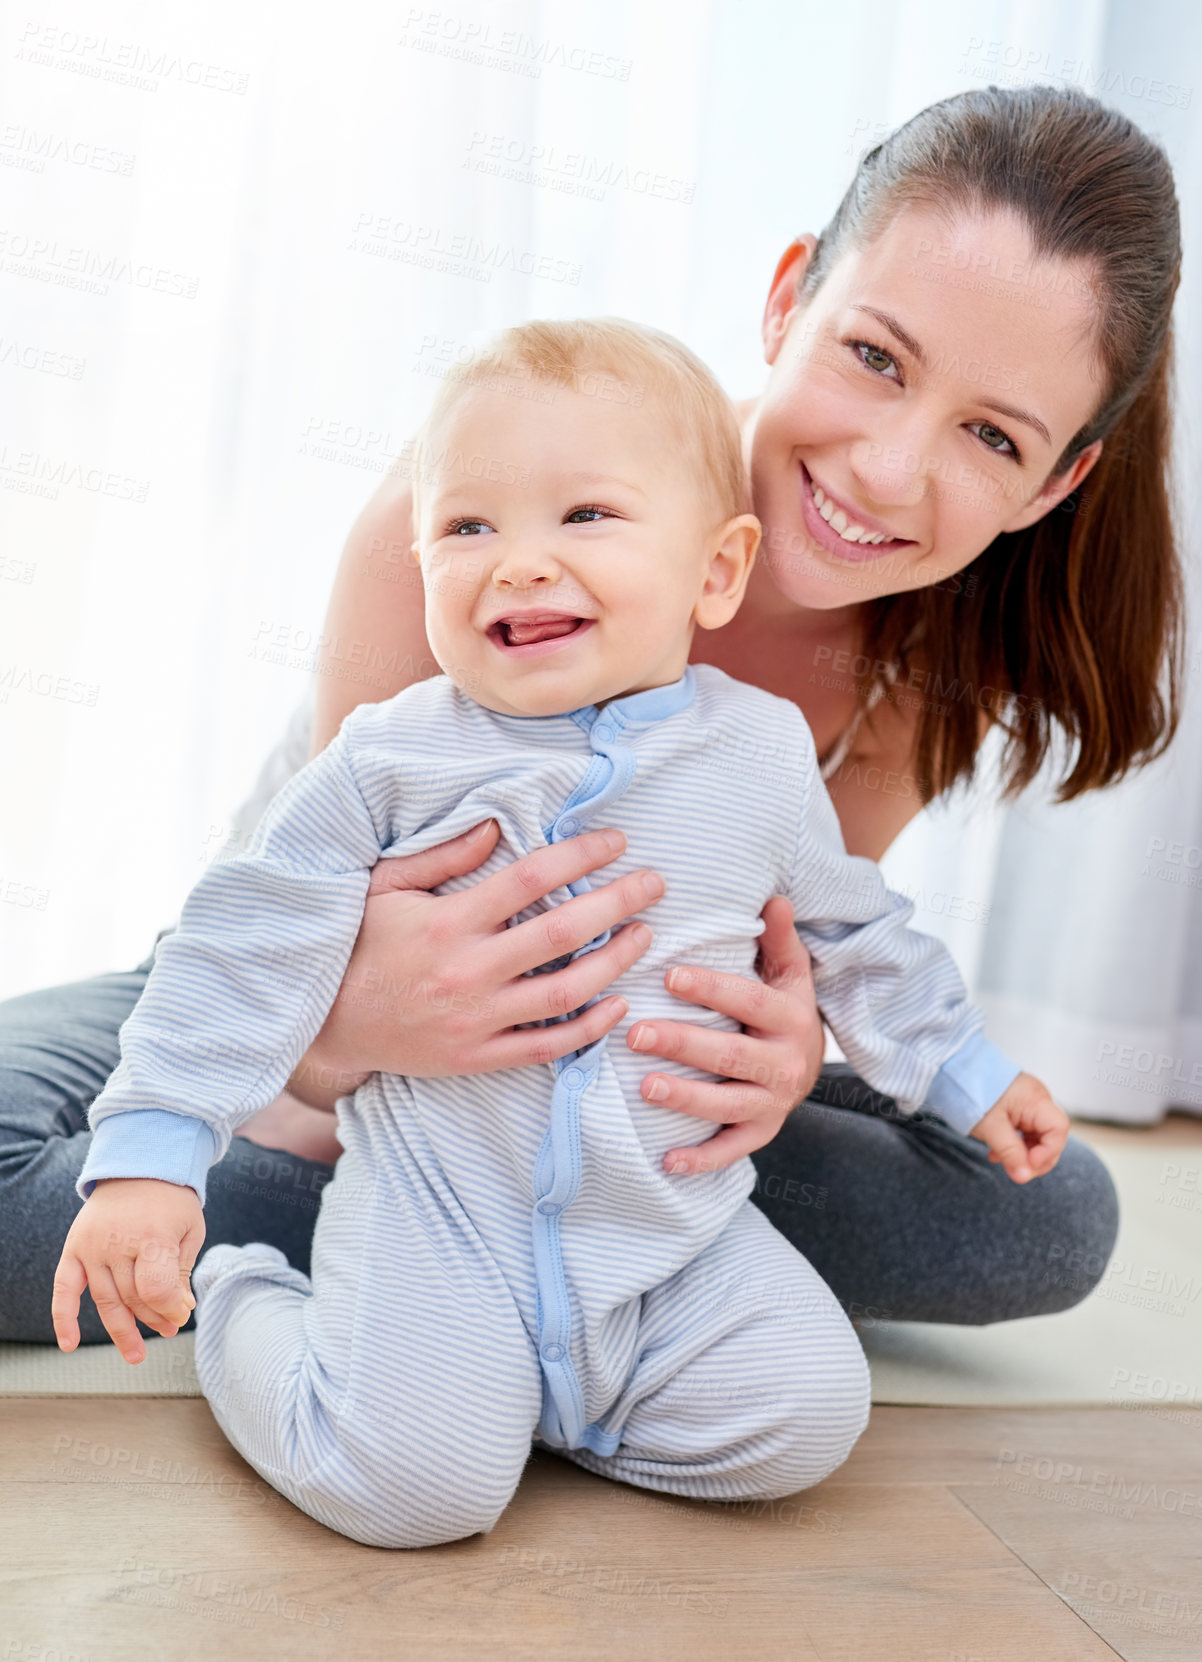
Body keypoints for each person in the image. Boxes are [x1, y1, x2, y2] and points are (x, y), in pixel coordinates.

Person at [5, 83, 1179, 1348]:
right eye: (873, 357)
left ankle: (481, 1280)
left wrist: (781, 1058)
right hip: (301, 989)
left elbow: (800, 943)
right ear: (788, 298)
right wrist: (307, 1064)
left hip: (615, 1085)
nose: (887, 470)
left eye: (990, 438)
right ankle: (487, 1276)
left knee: (1049, 1210)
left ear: (1053, 482)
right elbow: (315, 946)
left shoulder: (926, 663)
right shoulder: (499, 505)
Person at [53, 318, 1070, 1549]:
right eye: (468, 529)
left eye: (583, 518)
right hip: (444, 1217)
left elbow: (858, 932)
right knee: (411, 1495)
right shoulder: (390, 755)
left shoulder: (754, 755)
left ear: (715, 571)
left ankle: (533, 1396)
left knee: (805, 1415)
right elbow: (241, 945)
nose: (518, 564)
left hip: (663, 1230)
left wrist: (966, 1075)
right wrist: (154, 1157)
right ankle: (252, 1297)